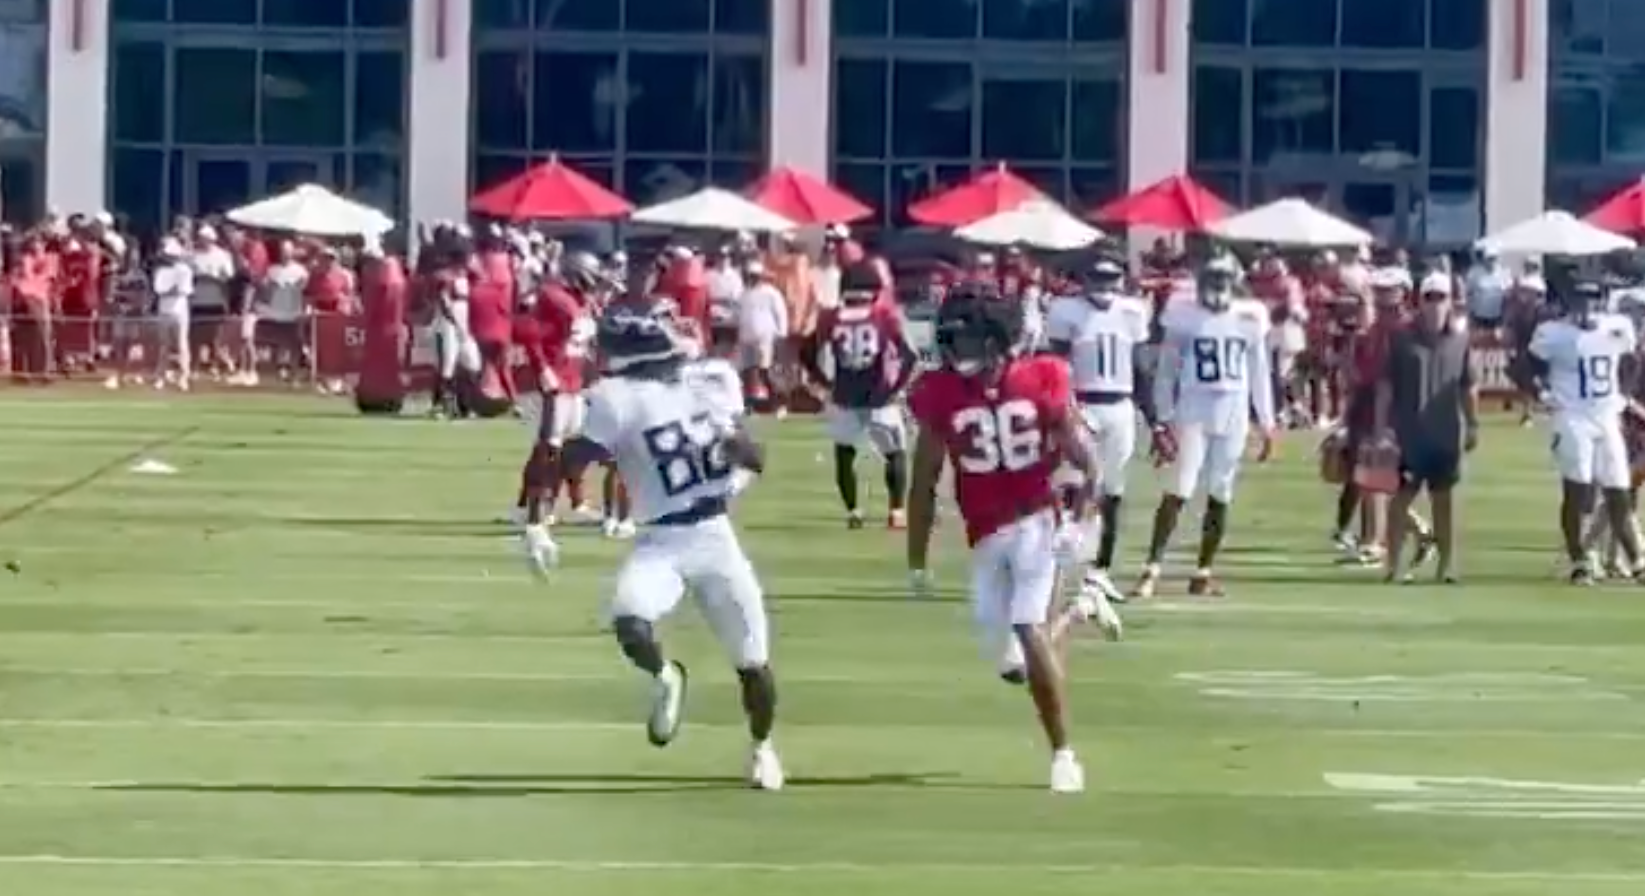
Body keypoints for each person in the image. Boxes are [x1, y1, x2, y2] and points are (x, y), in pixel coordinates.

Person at [529, 300, 783, 790]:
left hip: (713, 536)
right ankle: (668, 676)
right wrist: (539, 520)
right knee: (629, 618)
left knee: (753, 661)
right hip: (663, 537)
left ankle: (762, 748)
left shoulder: (677, 387)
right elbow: (577, 458)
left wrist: (539, 520)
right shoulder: (652, 390)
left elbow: (754, 457)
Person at [905, 283, 1119, 795]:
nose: (955, 351)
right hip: (985, 531)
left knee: (1027, 627)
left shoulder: (1040, 378)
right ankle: (1081, 610)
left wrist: (1077, 521)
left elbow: (1088, 462)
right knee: (1015, 663)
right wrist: (916, 561)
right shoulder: (940, 394)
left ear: (997, 340)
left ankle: (1063, 755)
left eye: (966, 340)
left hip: (1038, 519)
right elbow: (924, 481)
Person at [1135, 256, 1278, 599]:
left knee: (1220, 491)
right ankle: (1151, 568)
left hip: (1233, 411)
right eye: (1211, 279)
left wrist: (1267, 422)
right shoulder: (1184, 314)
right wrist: (1164, 417)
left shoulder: (1250, 316)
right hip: (1194, 408)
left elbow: (1259, 372)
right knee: (1179, 487)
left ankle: (1203, 571)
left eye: (1221, 279)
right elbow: (1167, 370)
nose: (1215, 287)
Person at [1045, 258, 1152, 604]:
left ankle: (1099, 571)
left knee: (1112, 491)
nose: (1104, 284)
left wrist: (1156, 418)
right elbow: (1056, 366)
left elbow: (1141, 366)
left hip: (1120, 405)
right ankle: (1060, 563)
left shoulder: (1133, 311)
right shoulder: (1066, 310)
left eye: (1110, 277)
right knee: (1074, 485)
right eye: (1098, 276)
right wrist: (1059, 410)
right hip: (1082, 404)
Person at [1526, 281, 1644, 584]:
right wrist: (1542, 394)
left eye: (1594, 300)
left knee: (1619, 489)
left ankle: (1637, 560)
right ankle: (1578, 558)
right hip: (1573, 415)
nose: (1588, 307)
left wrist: (1624, 394)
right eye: (1582, 300)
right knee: (1577, 489)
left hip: (1605, 416)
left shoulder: (1617, 327)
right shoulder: (1554, 332)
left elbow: (1632, 361)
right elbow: (1524, 366)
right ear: (1570, 302)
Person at [1376, 273, 1479, 584]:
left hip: (1446, 434)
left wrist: (1472, 424)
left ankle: (1446, 567)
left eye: (1441, 298)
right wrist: (1383, 429)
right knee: (1399, 502)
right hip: (1410, 434)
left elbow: (1467, 386)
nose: (1435, 305)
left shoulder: (1460, 339)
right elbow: (1385, 386)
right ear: (1419, 301)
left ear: (1451, 302)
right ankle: (1393, 566)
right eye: (1429, 298)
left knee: (1443, 503)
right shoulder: (1401, 337)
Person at [801, 260, 918, 529]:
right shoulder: (883, 315)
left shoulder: (830, 317)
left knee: (844, 454)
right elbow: (910, 355)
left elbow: (806, 352)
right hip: (879, 397)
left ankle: (853, 511)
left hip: (844, 395)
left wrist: (824, 382)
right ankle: (896, 510)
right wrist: (897, 387)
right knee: (895, 453)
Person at [517, 251, 600, 539]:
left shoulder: (582, 301)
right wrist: (542, 369)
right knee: (548, 447)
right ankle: (531, 508)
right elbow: (528, 332)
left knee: (571, 446)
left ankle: (568, 502)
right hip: (554, 381)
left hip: (573, 380)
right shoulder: (552, 297)